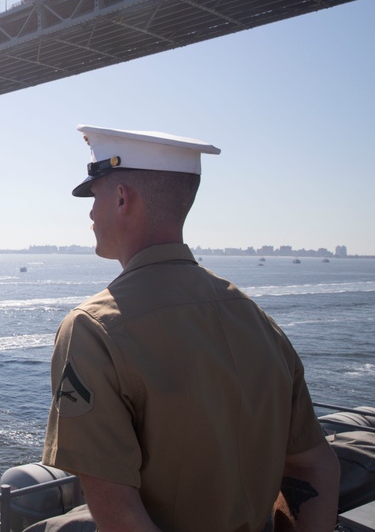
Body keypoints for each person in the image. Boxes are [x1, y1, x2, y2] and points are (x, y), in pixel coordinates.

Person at [40, 125, 340, 532]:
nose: (91, 215)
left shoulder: (92, 329)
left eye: (94, 198)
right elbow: (315, 466)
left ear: (122, 198)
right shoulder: (257, 319)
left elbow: (120, 515)